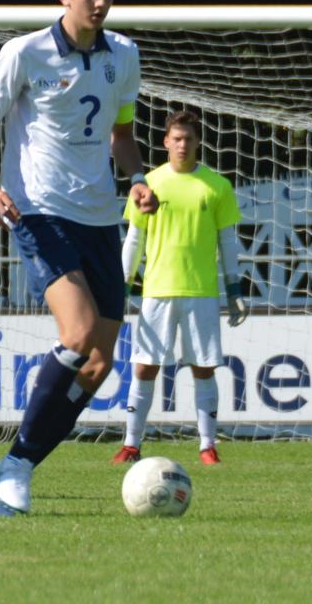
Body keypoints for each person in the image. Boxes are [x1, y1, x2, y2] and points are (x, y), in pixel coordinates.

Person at [0, 0, 158, 517]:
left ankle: (15, 462)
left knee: (99, 363)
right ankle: (17, 469)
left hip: (100, 217)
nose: (101, 2)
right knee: (78, 334)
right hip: (38, 210)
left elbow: (121, 133)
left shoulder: (124, 54)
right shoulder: (24, 53)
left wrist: (139, 177)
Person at [112, 110, 247, 466]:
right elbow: (134, 241)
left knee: (203, 369)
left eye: (189, 138)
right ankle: (130, 444)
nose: (183, 144)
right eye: (177, 138)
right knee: (144, 367)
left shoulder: (217, 186)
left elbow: (227, 242)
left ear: (197, 141)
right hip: (156, 292)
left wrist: (234, 289)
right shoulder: (148, 185)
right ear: (165, 142)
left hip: (201, 293)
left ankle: (207, 445)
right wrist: (122, 287)